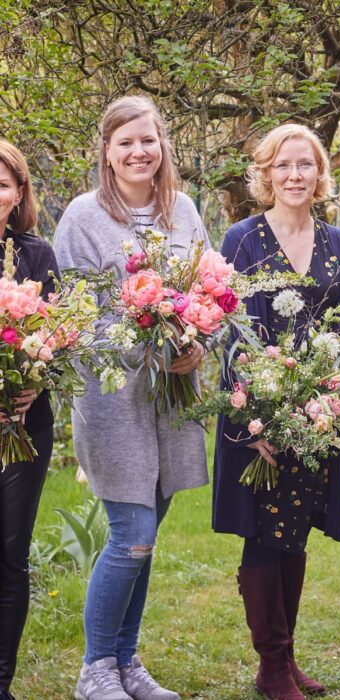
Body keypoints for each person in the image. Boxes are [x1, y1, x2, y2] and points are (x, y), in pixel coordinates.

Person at [53, 95, 208, 700]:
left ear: (162, 145)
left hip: (172, 399)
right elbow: (77, 318)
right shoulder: (83, 218)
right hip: (112, 400)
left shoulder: (184, 212)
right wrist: (143, 343)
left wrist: (197, 342)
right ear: (108, 153)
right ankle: (95, 669)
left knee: (147, 540)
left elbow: (208, 292)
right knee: (132, 536)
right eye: (126, 143)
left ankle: (126, 663)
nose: (139, 152)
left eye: (148, 140)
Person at [212, 123, 340, 700]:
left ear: (320, 173)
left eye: (305, 165)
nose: (295, 175)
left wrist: (328, 396)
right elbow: (228, 329)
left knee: (295, 532)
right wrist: (249, 417)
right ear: (266, 174)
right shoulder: (242, 240)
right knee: (263, 533)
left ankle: (286, 656)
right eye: (283, 165)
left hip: (321, 413)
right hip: (256, 411)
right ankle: (271, 664)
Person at [0, 140, 59, 700]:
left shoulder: (36, 254)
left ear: (18, 194)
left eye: (1, 184)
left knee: (10, 554)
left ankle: (1, 681)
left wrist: (34, 377)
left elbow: (62, 337)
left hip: (23, 424)